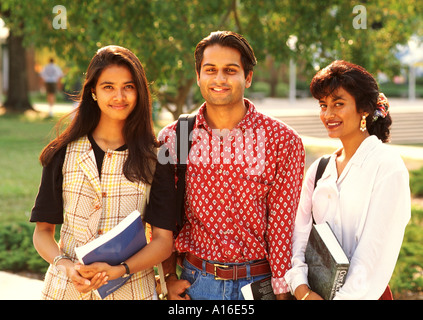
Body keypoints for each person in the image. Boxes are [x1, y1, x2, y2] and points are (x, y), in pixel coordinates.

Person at [148, 31, 305, 300]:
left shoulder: (283, 141)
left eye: (230, 70)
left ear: (248, 77)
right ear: (198, 76)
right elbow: (162, 218)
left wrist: (282, 293)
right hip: (195, 284)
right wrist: (168, 278)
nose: (220, 78)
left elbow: (282, 226)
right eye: (211, 70)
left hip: (259, 284)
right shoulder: (174, 138)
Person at [30, 45, 174, 300]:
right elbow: (42, 233)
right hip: (65, 291)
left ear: (139, 92)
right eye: (108, 87)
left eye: (128, 86)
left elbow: (163, 241)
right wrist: (65, 265)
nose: (119, 96)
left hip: (132, 292)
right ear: (93, 92)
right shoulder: (61, 153)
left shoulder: (157, 157)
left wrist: (120, 270)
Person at [284, 60, 411, 300]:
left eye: (338, 104)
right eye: (323, 105)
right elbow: (299, 236)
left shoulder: (387, 166)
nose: (328, 114)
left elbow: (374, 254)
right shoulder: (319, 169)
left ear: (363, 108)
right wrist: (301, 289)